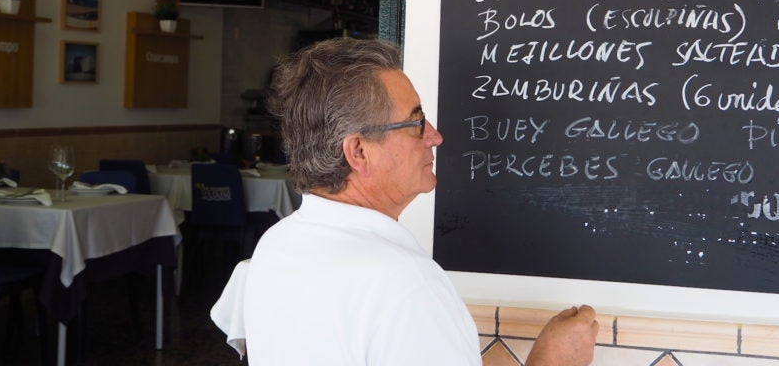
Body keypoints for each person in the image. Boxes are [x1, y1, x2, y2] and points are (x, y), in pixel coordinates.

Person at [241, 38, 598, 365]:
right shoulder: (404, 284)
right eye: (416, 123)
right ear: (359, 152)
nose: (435, 137)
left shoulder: (276, 245)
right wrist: (553, 360)